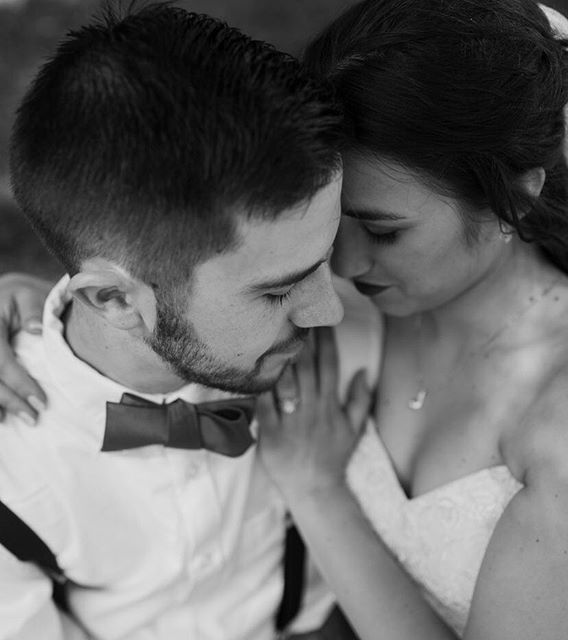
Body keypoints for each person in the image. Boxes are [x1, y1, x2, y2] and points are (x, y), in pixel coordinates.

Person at [0, 1, 568, 639]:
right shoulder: (34, 462)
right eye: (334, 232)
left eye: (383, 232)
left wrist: (316, 490)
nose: (335, 287)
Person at [251, 1, 568, 639]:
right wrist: (46, 312)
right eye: (327, 219)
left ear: (511, 196)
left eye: (383, 230)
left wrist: (317, 493)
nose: (342, 265)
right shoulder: (361, 301)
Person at [0, 3, 375, 638]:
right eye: (278, 291)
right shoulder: (15, 475)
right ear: (115, 300)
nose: (329, 308)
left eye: (324, 256)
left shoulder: (350, 346)